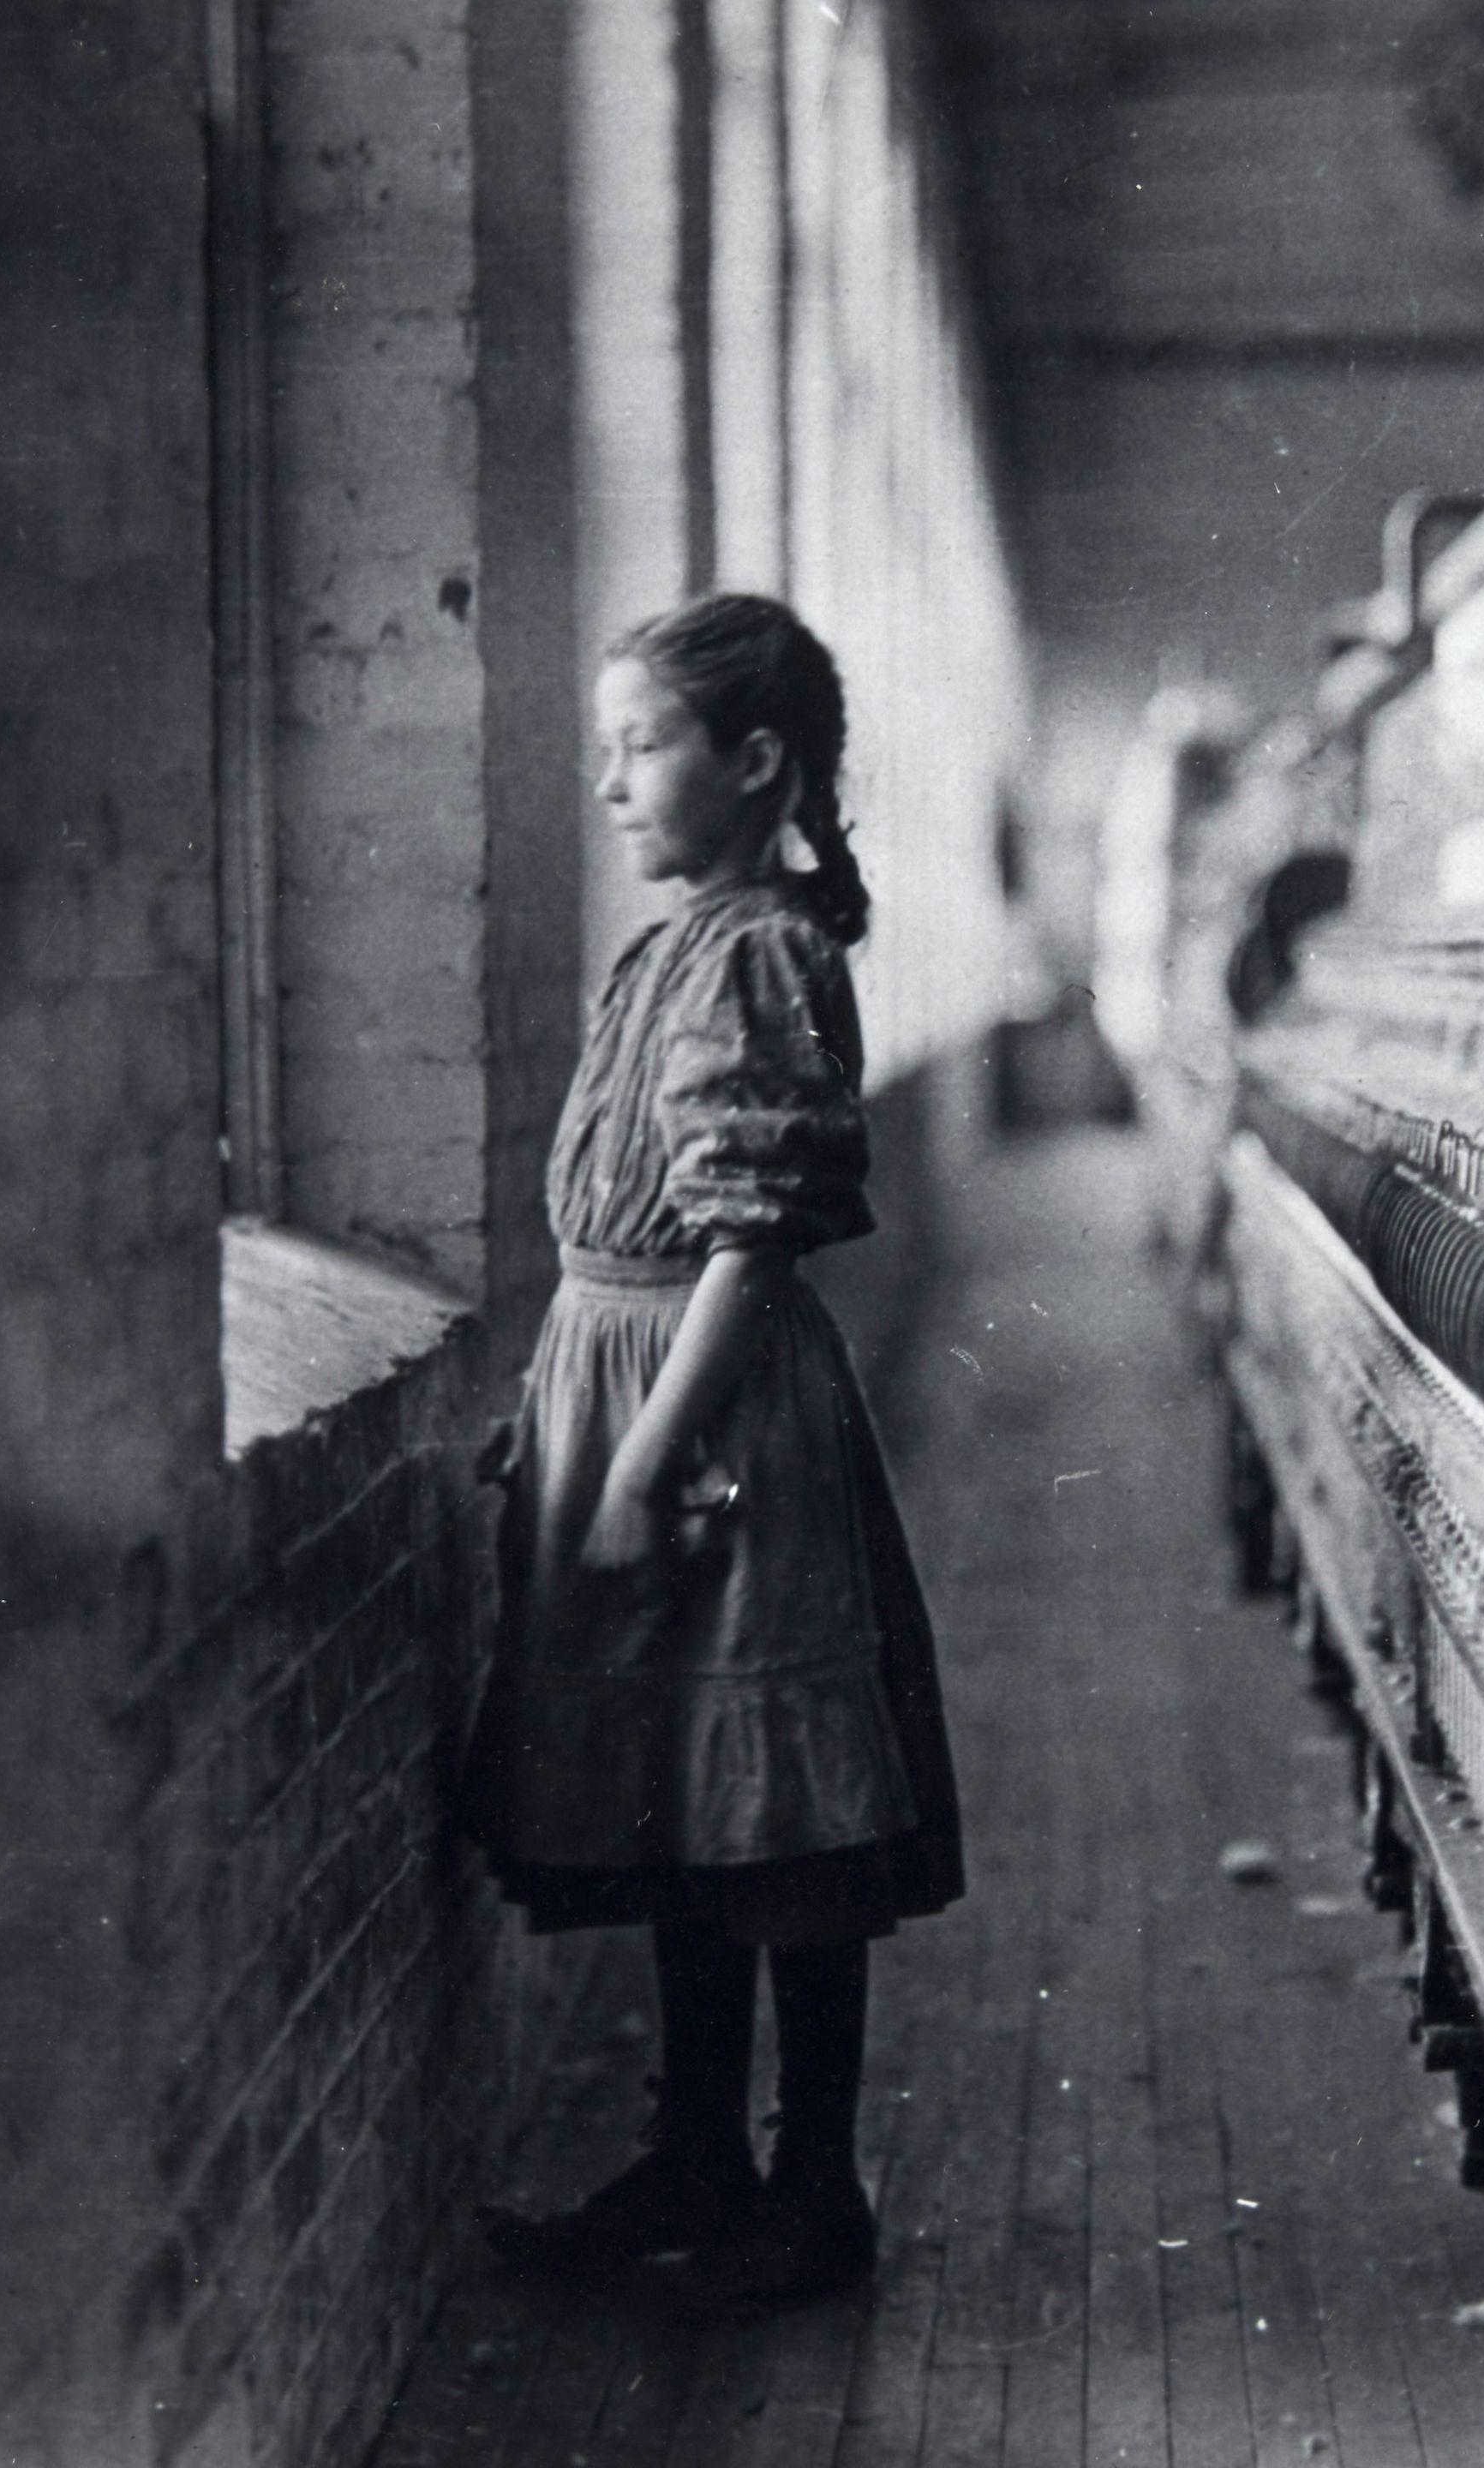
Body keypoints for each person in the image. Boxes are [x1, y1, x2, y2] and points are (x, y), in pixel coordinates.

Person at [463, 593, 963, 2314]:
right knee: (690, 1791)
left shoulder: (755, 946)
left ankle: (811, 2193)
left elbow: (749, 1238)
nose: (609, 784)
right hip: (631, 1370)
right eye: (600, 751)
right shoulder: (675, 943)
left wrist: (638, 1457)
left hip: (709, 1404)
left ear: (754, 763)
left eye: (639, 748)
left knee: (779, 1808)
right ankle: (698, 2161)